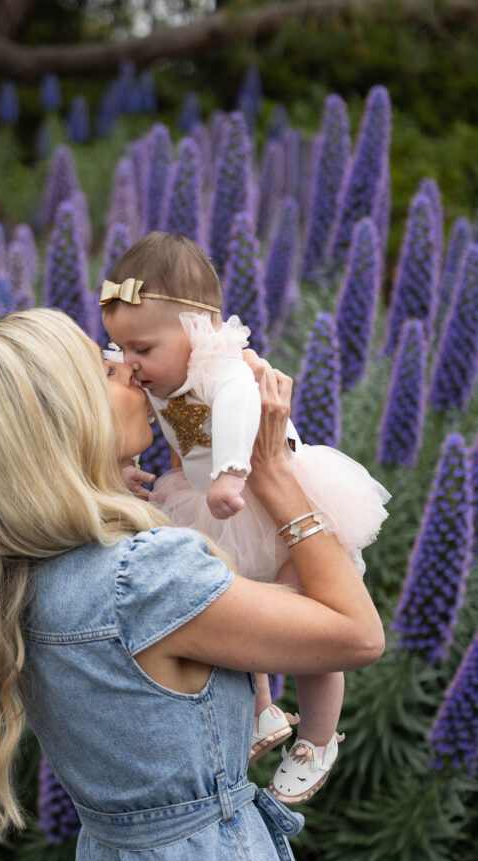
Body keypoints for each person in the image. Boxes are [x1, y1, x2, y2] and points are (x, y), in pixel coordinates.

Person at [0, 307, 384, 861]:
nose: (135, 373)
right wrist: (271, 472)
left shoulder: (16, 577)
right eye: (107, 371)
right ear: (67, 421)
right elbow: (355, 634)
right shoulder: (145, 579)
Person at [100, 232, 390, 803]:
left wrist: (233, 471)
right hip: (215, 504)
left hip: (266, 496)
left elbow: (237, 404)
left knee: (310, 623)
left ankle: (317, 737)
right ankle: (262, 710)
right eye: (122, 351)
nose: (130, 366)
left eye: (141, 350)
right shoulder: (155, 361)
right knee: (236, 607)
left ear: (196, 329)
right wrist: (123, 463)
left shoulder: (219, 364)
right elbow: (141, 419)